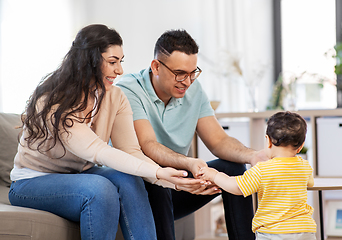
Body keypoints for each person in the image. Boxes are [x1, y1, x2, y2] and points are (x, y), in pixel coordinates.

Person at [8, 24, 193, 240]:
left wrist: (173, 180)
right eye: (112, 62)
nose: (120, 70)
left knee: (129, 178)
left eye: (120, 62)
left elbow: (130, 151)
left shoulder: (115, 97)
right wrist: (159, 172)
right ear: (90, 61)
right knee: (100, 188)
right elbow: (98, 151)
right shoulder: (54, 101)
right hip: (31, 182)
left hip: (79, 175)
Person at [117, 29, 267, 240]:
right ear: (156, 67)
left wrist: (252, 156)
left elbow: (219, 140)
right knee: (156, 181)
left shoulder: (193, 91)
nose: (187, 82)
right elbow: (148, 145)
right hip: (142, 186)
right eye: (180, 73)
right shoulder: (129, 90)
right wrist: (188, 164)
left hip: (178, 183)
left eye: (192, 73)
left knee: (234, 168)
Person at [199, 111, 317, 240]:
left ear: (268, 141)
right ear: (300, 147)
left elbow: (237, 187)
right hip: (305, 231)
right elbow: (309, 183)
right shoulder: (304, 166)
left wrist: (215, 175)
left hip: (273, 232)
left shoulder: (262, 170)